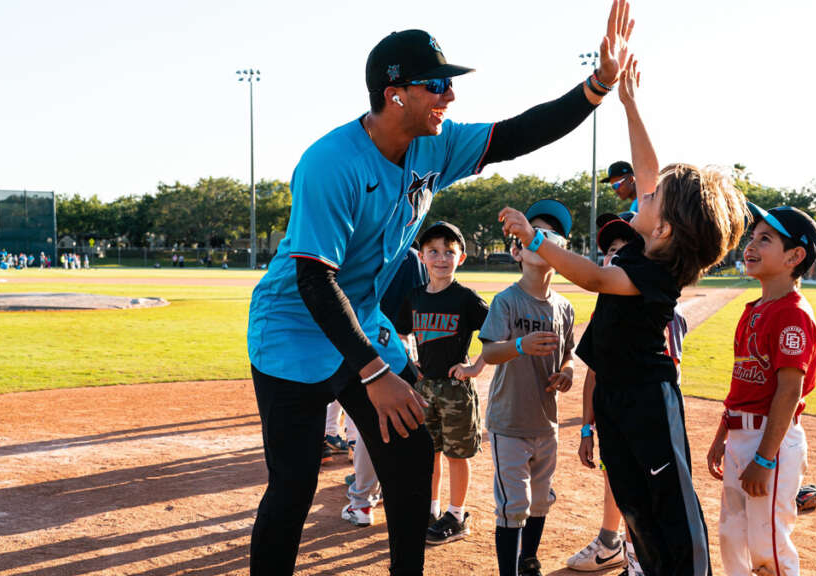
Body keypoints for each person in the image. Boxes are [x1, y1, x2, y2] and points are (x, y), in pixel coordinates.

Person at [244, 3, 635, 571]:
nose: (448, 98)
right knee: (295, 482)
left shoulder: (437, 144)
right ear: (394, 91)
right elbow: (312, 278)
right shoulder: (331, 163)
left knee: (409, 453)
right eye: (436, 86)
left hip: (360, 318)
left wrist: (597, 84)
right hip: (294, 329)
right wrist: (375, 373)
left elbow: (517, 133)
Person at [500, 56, 749, 575]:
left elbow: (591, 278)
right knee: (635, 503)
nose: (642, 190)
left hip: (646, 400)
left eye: (652, 197)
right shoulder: (646, 244)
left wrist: (535, 238)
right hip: (615, 395)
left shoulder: (657, 275)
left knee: (671, 511)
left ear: (667, 231)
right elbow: (648, 170)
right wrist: (631, 105)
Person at [567, 212, 688, 576]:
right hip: (611, 412)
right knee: (619, 482)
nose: (613, 256)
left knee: (652, 496)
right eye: (608, 251)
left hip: (644, 414)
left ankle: (635, 557)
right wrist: (587, 428)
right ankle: (613, 544)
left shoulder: (657, 301)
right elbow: (594, 370)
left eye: (622, 249)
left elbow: (670, 369)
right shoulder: (608, 309)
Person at [705, 203, 816, 576]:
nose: (750, 246)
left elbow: (789, 391)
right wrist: (723, 434)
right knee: (732, 536)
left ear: (795, 256)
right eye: (752, 238)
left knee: (767, 543)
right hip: (743, 435)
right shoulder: (755, 309)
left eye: (765, 239)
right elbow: (742, 383)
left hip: (769, 441)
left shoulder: (792, 312)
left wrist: (765, 459)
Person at [480, 199, 576, 576]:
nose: (543, 240)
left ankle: (528, 559)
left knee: (540, 500)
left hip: (545, 422)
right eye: (535, 233)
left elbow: (568, 355)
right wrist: (520, 346)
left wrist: (566, 372)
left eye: (551, 236)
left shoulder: (564, 307)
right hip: (509, 422)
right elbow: (488, 353)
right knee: (513, 504)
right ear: (518, 249)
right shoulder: (506, 301)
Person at [391, 221, 489, 545]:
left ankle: (457, 515)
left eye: (449, 251)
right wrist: (409, 360)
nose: (441, 258)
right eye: (433, 251)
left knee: (456, 455)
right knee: (427, 454)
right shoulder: (415, 296)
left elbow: (496, 333)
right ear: (421, 256)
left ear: (461, 258)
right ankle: (430, 509)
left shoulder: (465, 298)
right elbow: (401, 332)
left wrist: (475, 366)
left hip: (455, 390)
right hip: (424, 388)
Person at [343, 244, 429, 528]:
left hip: (349, 338)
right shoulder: (410, 255)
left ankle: (362, 500)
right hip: (391, 341)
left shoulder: (360, 239)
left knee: (371, 425)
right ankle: (375, 495)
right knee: (386, 423)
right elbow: (417, 300)